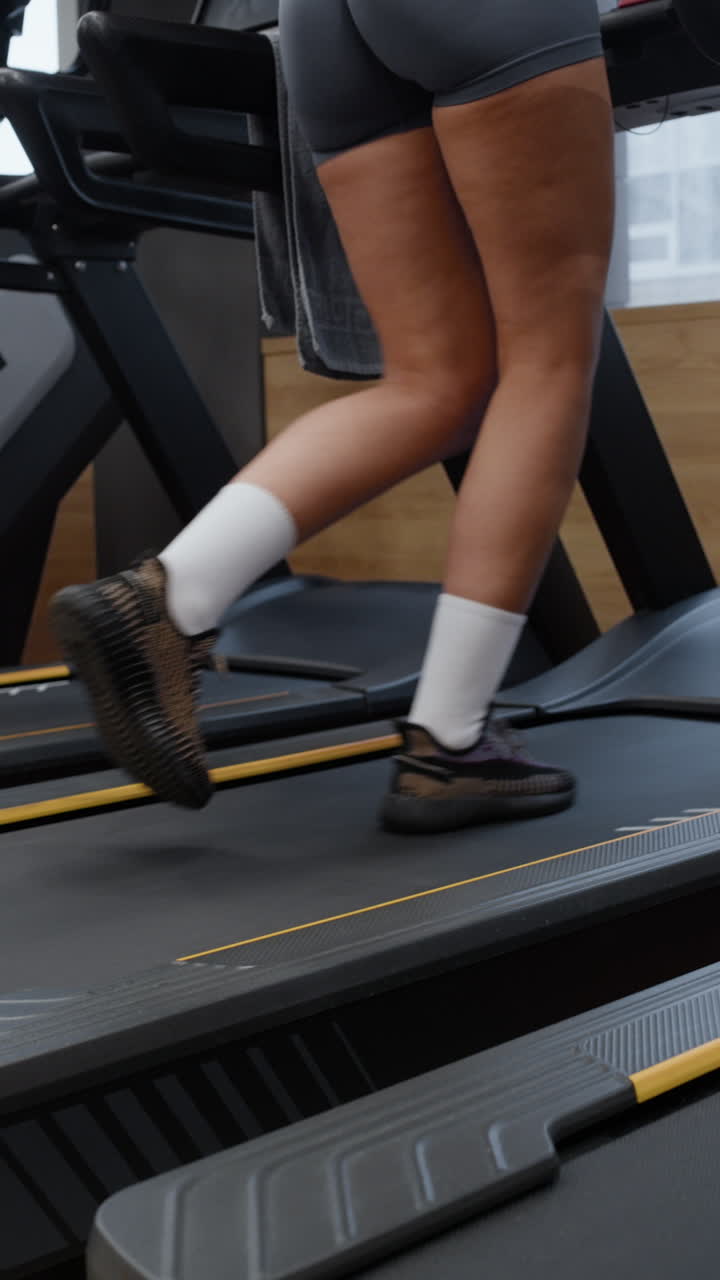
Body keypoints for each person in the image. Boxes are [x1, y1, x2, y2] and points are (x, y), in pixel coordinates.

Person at [51, 0, 615, 833]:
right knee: (549, 358)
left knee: (436, 379)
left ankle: (165, 600)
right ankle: (449, 743)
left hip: (321, 23)